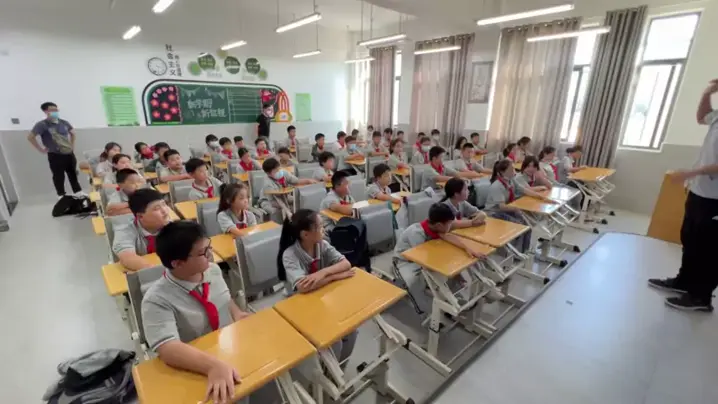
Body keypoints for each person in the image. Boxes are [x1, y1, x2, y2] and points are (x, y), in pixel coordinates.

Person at [141, 221, 252, 404]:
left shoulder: (213, 270)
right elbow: (168, 349)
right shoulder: (155, 300)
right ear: (178, 263)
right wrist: (212, 366)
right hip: (193, 365)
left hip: (226, 350)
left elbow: (225, 299)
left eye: (209, 246)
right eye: (203, 252)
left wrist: (237, 314)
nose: (210, 254)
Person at [648, 79, 718, 312]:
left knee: (709, 248)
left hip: (715, 200)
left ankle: (701, 298)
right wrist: (707, 92)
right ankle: (684, 281)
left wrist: (692, 172)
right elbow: (702, 117)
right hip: (700, 192)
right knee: (690, 238)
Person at [276, 209, 356, 364]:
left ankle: (338, 370)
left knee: (352, 331)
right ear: (305, 235)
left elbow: (346, 264)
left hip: (321, 298)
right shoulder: (290, 254)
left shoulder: (322, 244)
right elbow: (303, 287)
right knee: (335, 341)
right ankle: (330, 374)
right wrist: (335, 276)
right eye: (319, 227)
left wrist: (323, 272)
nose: (323, 229)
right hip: (297, 304)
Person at [394, 203, 486, 313]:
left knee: (447, 270)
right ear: (439, 225)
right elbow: (424, 260)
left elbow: (448, 237)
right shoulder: (416, 234)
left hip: (425, 257)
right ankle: (424, 311)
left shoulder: (435, 227)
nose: (451, 226)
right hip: (405, 262)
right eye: (449, 224)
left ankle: (453, 299)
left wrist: (468, 249)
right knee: (415, 284)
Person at [485, 159, 552, 252]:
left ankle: (525, 251)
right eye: (511, 169)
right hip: (494, 213)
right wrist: (516, 209)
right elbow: (501, 206)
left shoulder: (511, 180)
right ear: (503, 172)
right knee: (520, 226)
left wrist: (541, 197)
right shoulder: (497, 186)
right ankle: (516, 252)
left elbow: (524, 190)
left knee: (527, 226)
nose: (514, 170)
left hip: (507, 210)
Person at [27, 102, 83, 198]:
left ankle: (78, 192)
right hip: (55, 155)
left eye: (56, 110)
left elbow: (73, 133)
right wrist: (41, 149)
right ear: (45, 111)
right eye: (52, 110)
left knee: (73, 173)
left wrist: (72, 146)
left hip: (69, 153)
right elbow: (30, 137)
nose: (55, 112)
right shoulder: (42, 125)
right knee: (58, 176)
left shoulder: (64, 122)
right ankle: (61, 195)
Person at [112, 188, 172, 271]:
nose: (165, 211)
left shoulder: (171, 226)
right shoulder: (124, 230)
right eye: (157, 208)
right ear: (140, 216)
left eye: (164, 204)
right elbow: (128, 258)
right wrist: (157, 272)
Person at [259, 158, 315, 223]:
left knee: (299, 200)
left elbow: (296, 181)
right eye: (275, 171)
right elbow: (274, 201)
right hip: (269, 201)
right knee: (279, 210)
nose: (278, 171)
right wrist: (287, 208)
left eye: (278, 168)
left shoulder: (283, 173)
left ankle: (304, 221)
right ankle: (281, 226)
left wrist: (308, 181)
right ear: (268, 173)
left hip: (284, 197)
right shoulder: (267, 183)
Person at [319, 171, 355, 237]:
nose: (350, 185)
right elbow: (346, 209)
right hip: (328, 227)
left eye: (349, 182)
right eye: (346, 183)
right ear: (337, 186)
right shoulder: (330, 198)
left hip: (341, 223)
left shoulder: (348, 197)